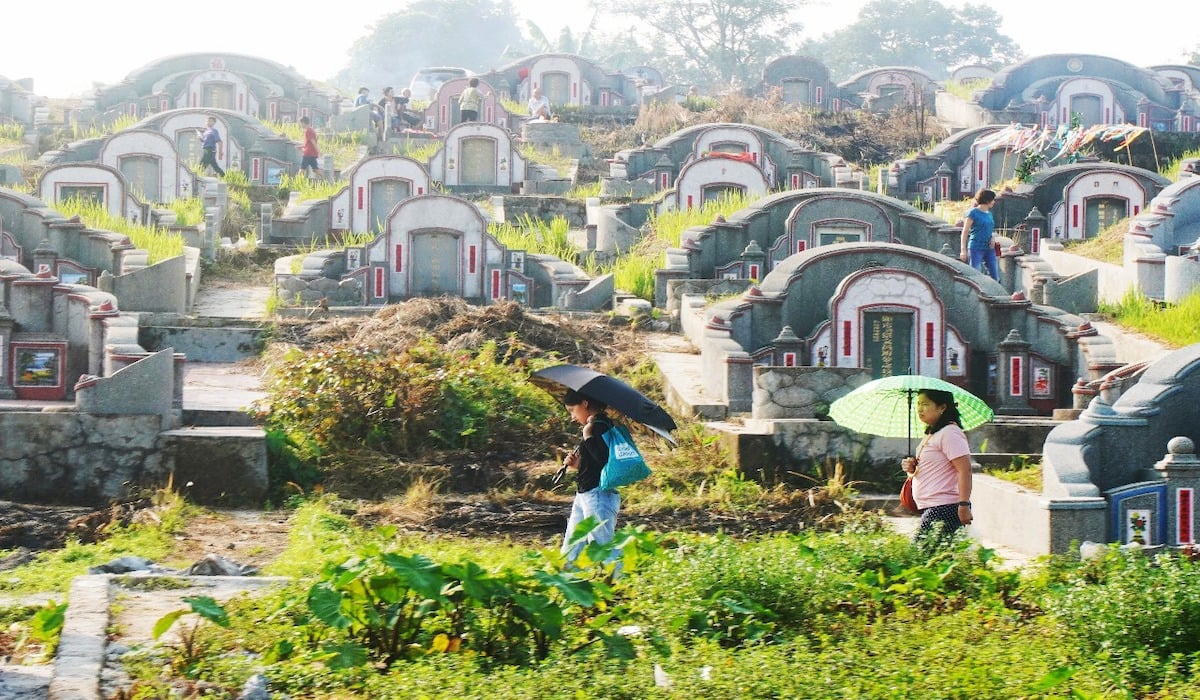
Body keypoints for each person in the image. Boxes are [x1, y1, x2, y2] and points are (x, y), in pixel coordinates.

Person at [900, 389, 973, 549]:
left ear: (942, 408)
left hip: (944, 507)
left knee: (919, 557)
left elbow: (965, 470)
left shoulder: (950, 433)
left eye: (925, 404)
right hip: (932, 507)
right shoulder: (933, 433)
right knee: (937, 561)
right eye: (918, 404)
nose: (920, 409)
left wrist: (964, 505)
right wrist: (911, 468)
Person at [558, 389, 620, 563]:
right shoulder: (595, 425)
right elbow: (595, 463)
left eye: (572, 410)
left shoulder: (599, 426)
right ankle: (564, 581)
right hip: (586, 493)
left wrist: (588, 437)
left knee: (602, 545)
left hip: (598, 494)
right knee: (571, 544)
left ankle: (620, 582)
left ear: (584, 404)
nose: (572, 416)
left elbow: (603, 458)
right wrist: (578, 465)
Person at [960, 188, 999, 281]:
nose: (994, 202)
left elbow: (990, 230)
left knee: (995, 277)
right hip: (976, 247)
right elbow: (965, 232)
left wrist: (992, 238)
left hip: (989, 248)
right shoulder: (973, 213)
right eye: (992, 199)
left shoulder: (989, 214)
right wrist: (963, 250)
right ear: (987, 200)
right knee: (976, 277)